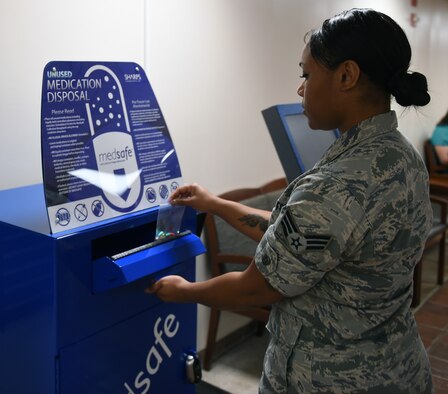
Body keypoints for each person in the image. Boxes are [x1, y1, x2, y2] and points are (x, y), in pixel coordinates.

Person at [146, 8, 434, 393]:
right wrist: (215, 203)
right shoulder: (400, 156)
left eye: (306, 75)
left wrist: (182, 291)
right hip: (397, 367)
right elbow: (303, 239)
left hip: (329, 379)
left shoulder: (335, 183)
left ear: (346, 75)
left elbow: (256, 288)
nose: (301, 89)